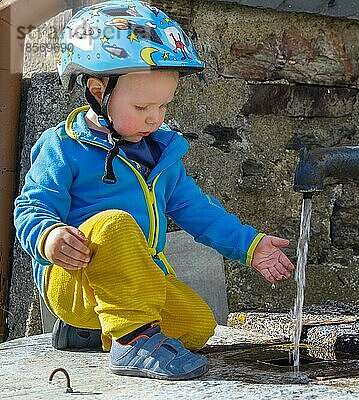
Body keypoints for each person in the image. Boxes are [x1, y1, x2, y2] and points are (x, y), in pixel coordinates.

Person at [14, 0, 294, 381]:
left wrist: (250, 245)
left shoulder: (160, 154)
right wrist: (48, 237)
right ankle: (130, 343)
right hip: (73, 279)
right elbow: (31, 206)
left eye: (164, 105)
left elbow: (199, 210)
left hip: (135, 282)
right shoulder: (62, 147)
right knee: (114, 224)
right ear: (98, 91)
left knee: (197, 326)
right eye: (143, 105)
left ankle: (95, 330)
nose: (154, 117)